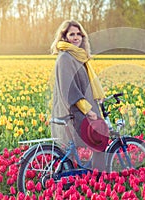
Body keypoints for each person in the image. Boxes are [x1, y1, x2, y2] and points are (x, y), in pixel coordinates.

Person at [50, 20, 106, 171]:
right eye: (72, 34)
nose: (76, 37)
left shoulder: (78, 56)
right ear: (65, 37)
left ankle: (86, 175)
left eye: (78, 34)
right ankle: (98, 177)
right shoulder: (65, 58)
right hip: (75, 111)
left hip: (81, 109)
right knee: (100, 139)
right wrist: (88, 110)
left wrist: (99, 96)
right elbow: (70, 90)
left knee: (93, 140)